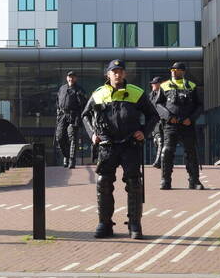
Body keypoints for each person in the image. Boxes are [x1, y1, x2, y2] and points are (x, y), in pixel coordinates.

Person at [81, 59, 161, 240]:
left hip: (130, 144)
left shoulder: (136, 93)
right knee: (103, 183)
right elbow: (84, 115)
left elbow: (153, 115)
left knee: (134, 184)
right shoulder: (99, 94)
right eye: (114, 71)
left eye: (120, 71)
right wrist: (93, 134)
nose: (117, 74)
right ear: (108, 75)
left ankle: (134, 224)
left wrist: (144, 132)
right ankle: (104, 223)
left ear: (124, 74)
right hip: (107, 145)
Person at [157, 61, 204, 190]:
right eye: (172, 70)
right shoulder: (164, 85)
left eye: (176, 70)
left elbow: (199, 105)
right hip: (171, 125)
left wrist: (191, 118)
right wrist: (168, 117)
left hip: (187, 125)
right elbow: (158, 105)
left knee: (191, 152)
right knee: (167, 151)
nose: (173, 71)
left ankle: (194, 181)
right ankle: (165, 180)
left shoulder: (191, 86)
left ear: (183, 71)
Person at [55, 71, 87, 168]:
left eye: (73, 77)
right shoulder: (62, 88)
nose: (71, 79)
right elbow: (57, 101)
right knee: (59, 137)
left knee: (72, 137)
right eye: (69, 77)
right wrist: (58, 111)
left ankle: (72, 161)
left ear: (75, 78)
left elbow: (84, 104)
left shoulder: (79, 89)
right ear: (67, 78)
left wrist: (79, 97)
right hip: (62, 115)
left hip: (74, 115)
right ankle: (66, 156)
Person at [148, 76, 164, 168]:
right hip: (154, 122)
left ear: (159, 84)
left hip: (163, 121)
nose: (152, 85)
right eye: (152, 83)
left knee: (161, 141)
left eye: (154, 83)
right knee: (156, 142)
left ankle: (158, 162)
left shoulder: (164, 94)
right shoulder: (151, 95)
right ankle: (162, 160)